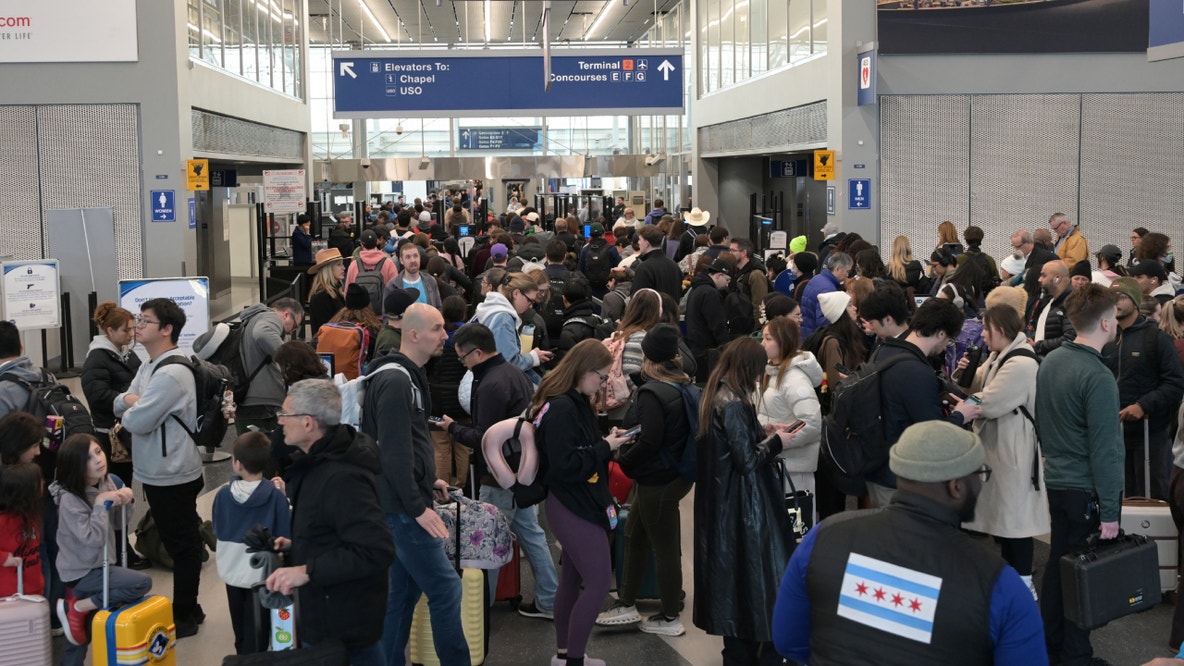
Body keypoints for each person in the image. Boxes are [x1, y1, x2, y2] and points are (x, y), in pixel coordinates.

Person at [773, 421, 1047, 665]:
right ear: (956, 486)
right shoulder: (998, 584)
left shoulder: (824, 537)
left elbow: (789, 641)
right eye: (980, 474)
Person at [359, 304, 471, 666]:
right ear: (413, 334)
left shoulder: (406, 377)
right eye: (437, 329)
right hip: (402, 510)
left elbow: (405, 444)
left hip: (397, 503)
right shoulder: (396, 382)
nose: (445, 336)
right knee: (445, 588)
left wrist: (427, 477)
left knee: (402, 595)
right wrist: (417, 507)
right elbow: (392, 452)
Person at [266, 379, 394, 664]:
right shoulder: (318, 462)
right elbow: (336, 530)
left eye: (285, 414)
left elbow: (376, 549)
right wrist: (298, 545)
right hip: (327, 616)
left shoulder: (343, 477)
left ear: (308, 422)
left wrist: (306, 570)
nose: (280, 422)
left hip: (345, 628)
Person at [441, 323, 559, 621]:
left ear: (478, 353)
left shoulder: (490, 384)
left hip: (498, 475)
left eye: (463, 358)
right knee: (532, 535)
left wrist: (452, 428)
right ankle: (549, 598)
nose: (463, 364)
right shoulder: (514, 373)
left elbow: (484, 437)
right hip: (522, 469)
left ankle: (482, 605)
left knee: (487, 539)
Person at [530, 339, 633, 666]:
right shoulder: (563, 408)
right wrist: (605, 447)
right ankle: (573, 659)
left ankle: (566, 654)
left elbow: (575, 451)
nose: (603, 384)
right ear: (584, 370)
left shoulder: (569, 403)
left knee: (573, 581)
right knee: (599, 583)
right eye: (601, 377)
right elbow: (565, 464)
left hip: (574, 502)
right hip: (573, 504)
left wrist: (605, 442)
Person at [694, 338, 796, 666]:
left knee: (732, 585)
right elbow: (747, 461)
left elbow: (729, 445)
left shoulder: (717, 394)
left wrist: (762, 429)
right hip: (744, 505)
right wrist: (777, 442)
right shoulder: (735, 402)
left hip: (721, 503)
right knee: (760, 581)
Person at [1037, 283, 1123, 666]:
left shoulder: (1051, 362)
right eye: (1115, 318)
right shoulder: (1098, 377)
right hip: (1084, 489)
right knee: (1081, 575)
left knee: (1059, 567)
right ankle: (1075, 656)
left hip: (1056, 481)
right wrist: (1111, 511)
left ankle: (1051, 648)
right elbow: (1106, 451)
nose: (1116, 324)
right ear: (1105, 323)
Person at [596, 325, 696, 636]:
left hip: (656, 479)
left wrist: (623, 460)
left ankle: (670, 616)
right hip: (674, 474)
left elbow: (651, 440)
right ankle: (626, 601)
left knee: (663, 547)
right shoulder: (683, 384)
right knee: (635, 535)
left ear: (647, 355)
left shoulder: (652, 392)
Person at [114, 297, 205, 636]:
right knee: (180, 538)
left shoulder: (171, 373)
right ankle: (192, 608)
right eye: (138, 319)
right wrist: (133, 402)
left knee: (181, 545)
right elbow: (119, 401)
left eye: (145, 321)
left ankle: (184, 615)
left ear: (167, 329)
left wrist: (133, 406)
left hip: (173, 471)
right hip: (158, 468)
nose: (137, 326)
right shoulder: (149, 364)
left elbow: (135, 421)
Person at [957, 305, 1050, 599]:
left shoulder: (1021, 362)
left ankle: (1023, 584)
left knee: (1015, 520)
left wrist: (964, 405)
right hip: (1000, 446)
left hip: (1014, 449)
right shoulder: (999, 355)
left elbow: (991, 401)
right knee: (1005, 519)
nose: (982, 335)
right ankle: (1012, 580)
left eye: (986, 329)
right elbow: (978, 385)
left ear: (1000, 329)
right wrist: (966, 371)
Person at [864, 298, 982, 508]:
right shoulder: (917, 371)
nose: (945, 346)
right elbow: (933, 433)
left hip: (877, 464)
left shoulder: (884, 350)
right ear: (941, 334)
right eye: (949, 340)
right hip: (899, 476)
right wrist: (960, 415)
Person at [51, 434, 153, 659]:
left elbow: (117, 524)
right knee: (141, 583)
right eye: (88, 458)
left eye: (98, 451)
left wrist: (127, 501)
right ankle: (77, 607)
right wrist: (100, 504)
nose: (98, 459)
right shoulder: (70, 500)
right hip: (81, 571)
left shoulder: (106, 481)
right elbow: (92, 539)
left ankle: (78, 609)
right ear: (75, 466)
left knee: (81, 630)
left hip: (102, 564)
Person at [81, 301, 148, 570]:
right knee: (117, 494)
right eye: (126, 330)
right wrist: (127, 399)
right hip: (110, 439)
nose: (131, 335)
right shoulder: (97, 358)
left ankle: (123, 550)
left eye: (133, 329)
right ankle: (121, 553)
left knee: (124, 492)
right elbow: (97, 396)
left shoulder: (125, 355)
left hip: (126, 433)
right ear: (110, 331)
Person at [213, 431, 292, 655]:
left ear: (237, 464)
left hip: (231, 570)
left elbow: (217, 528)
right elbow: (285, 534)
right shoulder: (275, 497)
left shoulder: (223, 495)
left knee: (239, 626)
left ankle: (241, 656)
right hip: (261, 574)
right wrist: (284, 496)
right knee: (258, 629)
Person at [1105, 278, 1184, 500]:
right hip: (1113, 432)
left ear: (1135, 301)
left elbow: (1175, 383)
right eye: (1111, 298)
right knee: (1119, 495)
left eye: (1122, 297)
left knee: (1152, 494)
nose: (1116, 302)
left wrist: (1143, 405)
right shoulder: (1107, 337)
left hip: (1150, 432)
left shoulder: (1156, 338)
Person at [756, 316, 823, 511]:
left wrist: (777, 441)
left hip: (793, 471)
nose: (762, 344)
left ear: (783, 341)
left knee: (794, 524)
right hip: (776, 464)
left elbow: (811, 423)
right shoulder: (771, 373)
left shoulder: (794, 380)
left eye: (768, 339)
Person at [236, 297, 304, 435]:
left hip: (248, 399)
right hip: (262, 403)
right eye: (294, 326)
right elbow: (263, 333)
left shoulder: (253, 319)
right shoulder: (272, 318)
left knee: (247, 444)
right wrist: (290, 359)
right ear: (286, 315)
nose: (290, 332)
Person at [470, 271, 554, 384]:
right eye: (529, 301)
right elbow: (508, 364)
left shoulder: (490, 308)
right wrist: (533, 357)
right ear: (516, 293)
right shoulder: (503, 319)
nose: (530, 306)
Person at [686, 258, 738, 383]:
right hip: (708, 353)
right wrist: (726, 348)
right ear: (719, 275)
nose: (727, 285)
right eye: (727, 280)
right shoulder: (710, 293)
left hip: (696, 349)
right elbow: (717, 324)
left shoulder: (696, 289)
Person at [0, 462, 43, 597]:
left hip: (34, 586)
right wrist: (3, 558)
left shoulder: (31, 515)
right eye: (38, 482)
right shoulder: (3, 521)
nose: (43, 483)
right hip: (9, 594)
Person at [1027, 260, 1076, 360]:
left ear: (1057, 278)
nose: (1039, 279)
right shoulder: (1049, 301)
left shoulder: (1073, 303)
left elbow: (1070, 338)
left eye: (1043, 276)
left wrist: (1038, 345)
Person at [800, 252, 852, 338]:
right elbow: (824, 321)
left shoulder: (818, 278)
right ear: (838, 268)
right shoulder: (828, 289)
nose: (847, 275)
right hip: (816, 337)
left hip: (807, 332)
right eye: (847, 271)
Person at [632, 225, 683, 303]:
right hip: (672, 309)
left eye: (640, 239)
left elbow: (638, 299)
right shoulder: (674, 266)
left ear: (647, 243)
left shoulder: (644, 268)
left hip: (652, 310)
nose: (638, 242)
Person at [389, 240, 443, 309]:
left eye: (415, 256)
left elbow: (438, 308)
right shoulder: (392, 285)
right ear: (401, 260)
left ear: (419, 257)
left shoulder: (430, 281)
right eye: (408, 257)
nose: (413, 260)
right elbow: (387, 314)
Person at [306, 248, 347, 334]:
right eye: (339, 264)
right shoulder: (321, 297)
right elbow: (326, 329)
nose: (343, 268)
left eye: (342, 264)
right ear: (328, 269)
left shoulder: (336, 291)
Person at [731, 238, 769, 328]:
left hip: (751, 326)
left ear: (744, 252)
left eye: (733, 250)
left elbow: (759, 304)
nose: (730, 253)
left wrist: (757, 329)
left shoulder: (756, 274)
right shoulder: (736, 272)